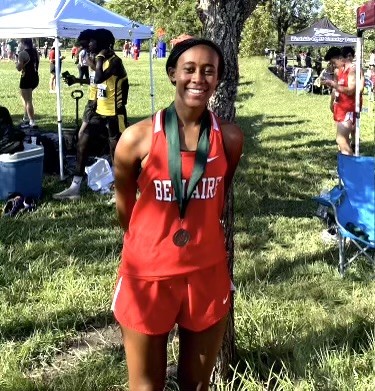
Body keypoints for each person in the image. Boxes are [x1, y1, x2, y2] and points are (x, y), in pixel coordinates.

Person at [111, 37, 244, 390]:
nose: (198, 78)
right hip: (148, 275)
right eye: (189, 69)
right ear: (173, 74)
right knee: (145, 386)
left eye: (208, 71)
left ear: (218, 80)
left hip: (206, 272)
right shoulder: (135, 139)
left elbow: (217, 196)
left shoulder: (229, 139)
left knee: (197, 385)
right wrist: (152, 242)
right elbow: (125, 206)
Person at [53, 29, 129, 200]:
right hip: (99, 110)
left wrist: (100, 58)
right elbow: (95, 81)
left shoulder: (115, 61)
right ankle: (75, 187)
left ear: (103, 43)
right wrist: (78, 80)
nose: (89, 45)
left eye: (93, 42)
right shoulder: (98, 60)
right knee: (82, 143)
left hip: (114, 113)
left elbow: (101, 77)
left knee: (116, 151)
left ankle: (120, 190)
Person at [322, 46, 364, 155]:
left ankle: (352, 167)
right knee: (342, 141)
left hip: (349, 108)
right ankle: (345, 168)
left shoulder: (352, 70)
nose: (332, 65)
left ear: (340, 58)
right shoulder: (338, 70)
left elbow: (351, 90)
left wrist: (333, 84)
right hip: (340, 107)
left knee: (341, 140)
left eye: (333, 62)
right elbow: (337, 89)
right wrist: (332, 102)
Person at [16, 38, 39, 128]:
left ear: (23, 43)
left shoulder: (22, 53)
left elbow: (19, 68)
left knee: (28, 100)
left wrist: (17, 62)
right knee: (23, 97)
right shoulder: (35, 51)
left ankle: (32, 121)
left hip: (26, 77)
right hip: (35, 77)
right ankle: (25, 117)